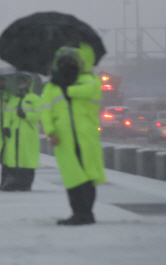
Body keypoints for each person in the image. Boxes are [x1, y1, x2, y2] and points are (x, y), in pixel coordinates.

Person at [40, 44, 105, 225]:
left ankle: (87, 213)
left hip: (86, 136)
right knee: (72, 177)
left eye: (71, 61)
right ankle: (78, 213)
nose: (67, 65)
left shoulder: (88, 79)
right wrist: (50, 132)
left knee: (88, 176)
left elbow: (91, 91)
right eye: (64, 62)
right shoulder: (51, 87)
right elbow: (45, 111)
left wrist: (67, 89)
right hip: (63, 139)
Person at [1, 73, 41, 191]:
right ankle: (14, 183)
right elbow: (7, 114)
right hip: (14, 133)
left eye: (23, 81)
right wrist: (6, 127)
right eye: (19, 81)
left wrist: (26, 115)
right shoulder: (13, 99)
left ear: (28, 83)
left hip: (28, 133)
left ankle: (26, 184)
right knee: (14, 159)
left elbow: (40, 114)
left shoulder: (35, 99)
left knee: (27, 160)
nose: (21, 83)